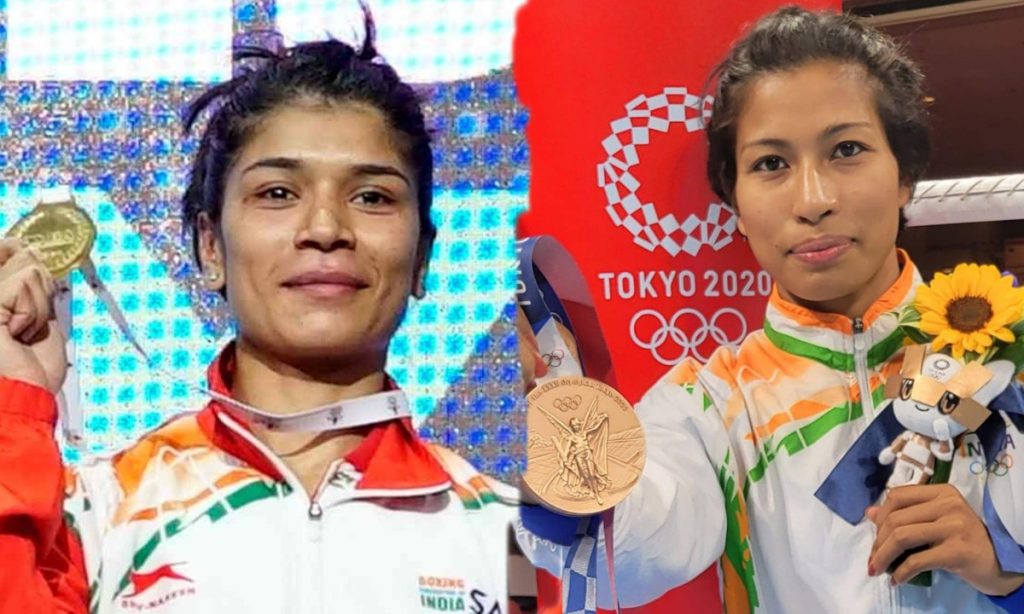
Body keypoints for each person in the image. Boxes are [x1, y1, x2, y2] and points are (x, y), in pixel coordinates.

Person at [0, 13, 516, 614]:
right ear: (210, 248)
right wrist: (14, 404)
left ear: (422, 257)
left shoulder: (512, 542)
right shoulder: (96, 516)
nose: (325, 228)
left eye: (372, 196)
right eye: (277, 193)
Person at [517, 6, 1024, 612]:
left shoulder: (1006, 357)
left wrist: (1010, 571)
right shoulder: (710, 404)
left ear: (905, 175)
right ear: (734, 203)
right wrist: (531, 426)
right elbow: (623, 549)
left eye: (847, 149)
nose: (812, 200)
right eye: (771, 164)